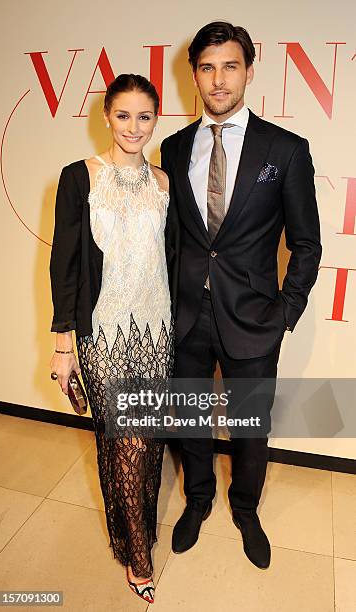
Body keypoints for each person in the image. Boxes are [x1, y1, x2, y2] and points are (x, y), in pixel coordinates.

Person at [162, 22, 322, 569]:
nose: (218, 79)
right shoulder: (174, 145)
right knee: (190, 418)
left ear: (249, 72)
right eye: (207, 68)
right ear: (194, 76)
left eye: (230, 66)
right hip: (185, 314)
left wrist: (285, 312)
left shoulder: (286, 149)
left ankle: (246, 509)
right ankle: (198, 499)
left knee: (251, 426)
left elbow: (306, 243)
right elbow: (177, 238)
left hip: (254, 317)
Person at [49, 74, 173, 604]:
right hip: (102, 335)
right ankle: (140, 560)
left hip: (157, 331)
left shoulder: (165, 183)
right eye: (123, 115)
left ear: (154, 120)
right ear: (106, 117)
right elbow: (64, 264)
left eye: (144, 117)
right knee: (121, 442)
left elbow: (174, 260)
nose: (133, 127)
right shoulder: (80, 177)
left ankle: (130, 533)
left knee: (146, 446)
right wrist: (63, 345)